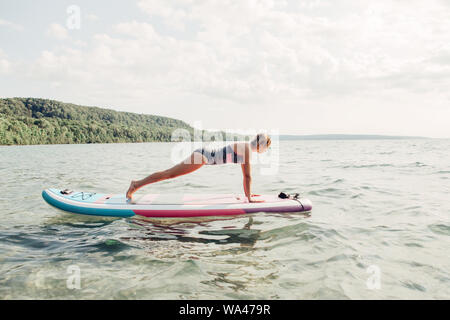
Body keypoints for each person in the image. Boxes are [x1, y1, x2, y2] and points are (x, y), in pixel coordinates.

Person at [126, 133, 271, 203]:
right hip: (203, 157)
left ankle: (136, 185)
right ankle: (136, 184)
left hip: (204, 156)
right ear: (262, 145)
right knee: (169, 174)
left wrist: (248, 195)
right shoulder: (246, 149)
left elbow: (246, 177)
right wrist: (249, 198)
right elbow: (247, 176)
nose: (265, 150)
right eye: (266, 147)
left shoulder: (245, 148)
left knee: (169, 173)